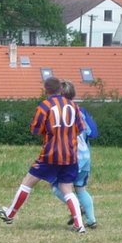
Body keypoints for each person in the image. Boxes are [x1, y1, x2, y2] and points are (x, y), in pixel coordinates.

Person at [0, 76, 85, 232]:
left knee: (28, 181)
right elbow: (80, 129)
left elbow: (35, 129)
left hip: (51, 153)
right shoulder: (73, 106)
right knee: (67, 189)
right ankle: (79, 225)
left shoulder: (44, 106)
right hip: (70, 154)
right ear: (61, 89)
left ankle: (10, 214)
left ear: (45, 90)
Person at [50, 79, 99, 229]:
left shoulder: (58, 112)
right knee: (80, 188)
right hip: (85, 157)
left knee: (57, 186)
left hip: (70, 156)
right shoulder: (81, 111)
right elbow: (93, 133)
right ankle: (91, 221)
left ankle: (77, 208)